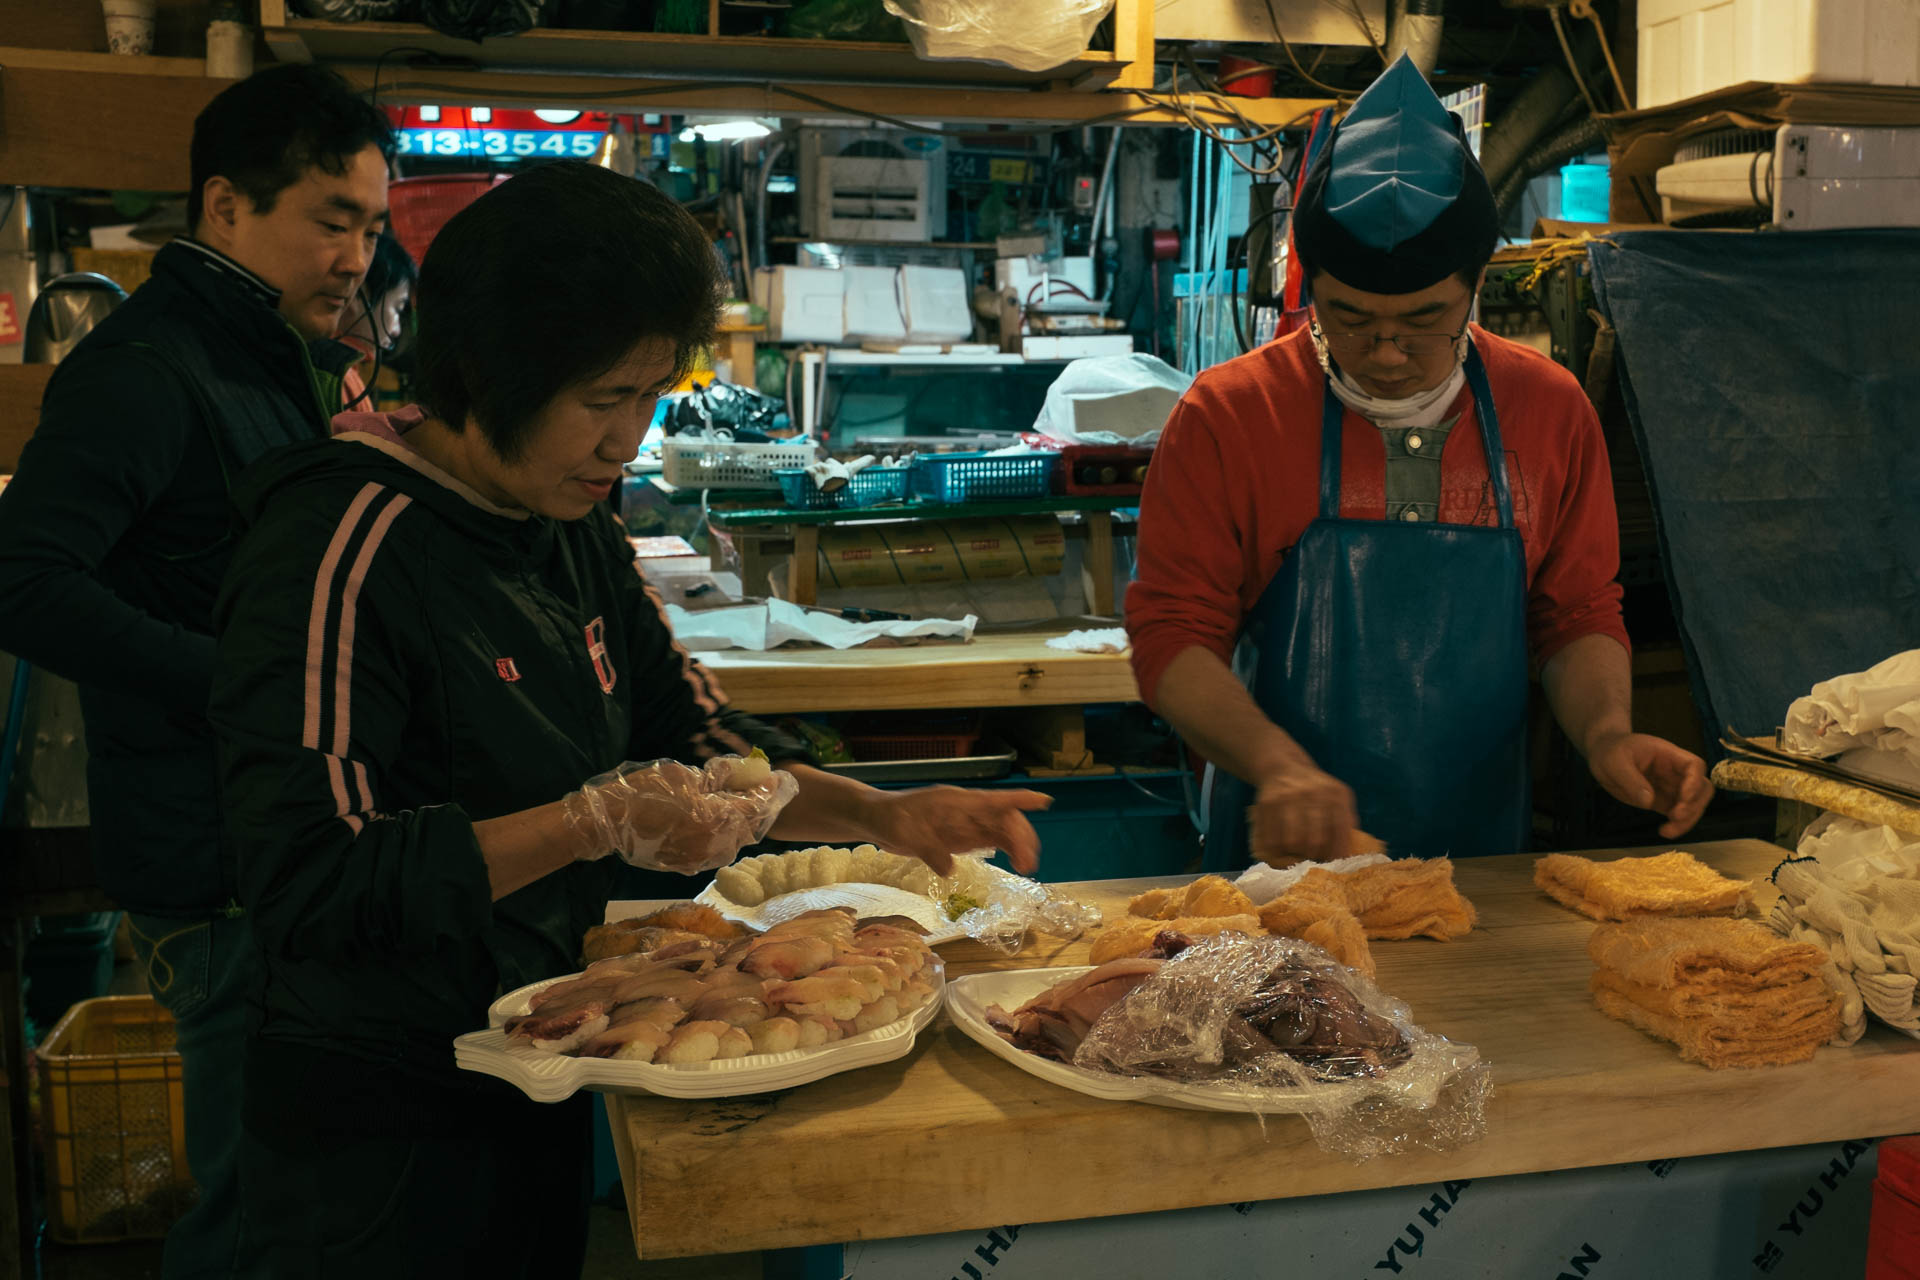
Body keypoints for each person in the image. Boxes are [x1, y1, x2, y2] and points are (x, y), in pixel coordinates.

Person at [208, 160, 1051, 1279]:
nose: (626, 440)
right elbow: (311, 875)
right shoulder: (339, 542)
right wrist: (586, 821)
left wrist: (881, 816)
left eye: (648, 395)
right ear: (489, 370)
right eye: (603, 399)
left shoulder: (568, 520)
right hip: (377, 1118)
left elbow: (688, 728)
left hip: (548, 1048)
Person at [1126, 56, 1712, 868]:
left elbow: (1575, 614)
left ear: (1474, 286)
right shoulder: (1230, 414)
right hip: (1277, 870)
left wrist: (1609, 736)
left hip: (1482, 866)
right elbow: (1171, 633)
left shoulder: (1549, 410)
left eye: (1426, 318)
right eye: (1352, 318)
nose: (1390, 353)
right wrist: (1278, 767)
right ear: (1313, 288)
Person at [0, 64, 392, 1277]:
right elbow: (24, 579)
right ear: (224, 208)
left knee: (291, 1174)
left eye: (373, 228)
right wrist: (243, 682)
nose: (357, 258)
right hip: (214, 852)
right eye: (334, 220)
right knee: (248, 1196)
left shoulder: (272, 356)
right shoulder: (146, 369)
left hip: (278, 832)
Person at [334, 229, 415, 409]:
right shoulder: (339, 377)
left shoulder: (347, 371)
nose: (396, 330)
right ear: (359, 295)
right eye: (397, 308)